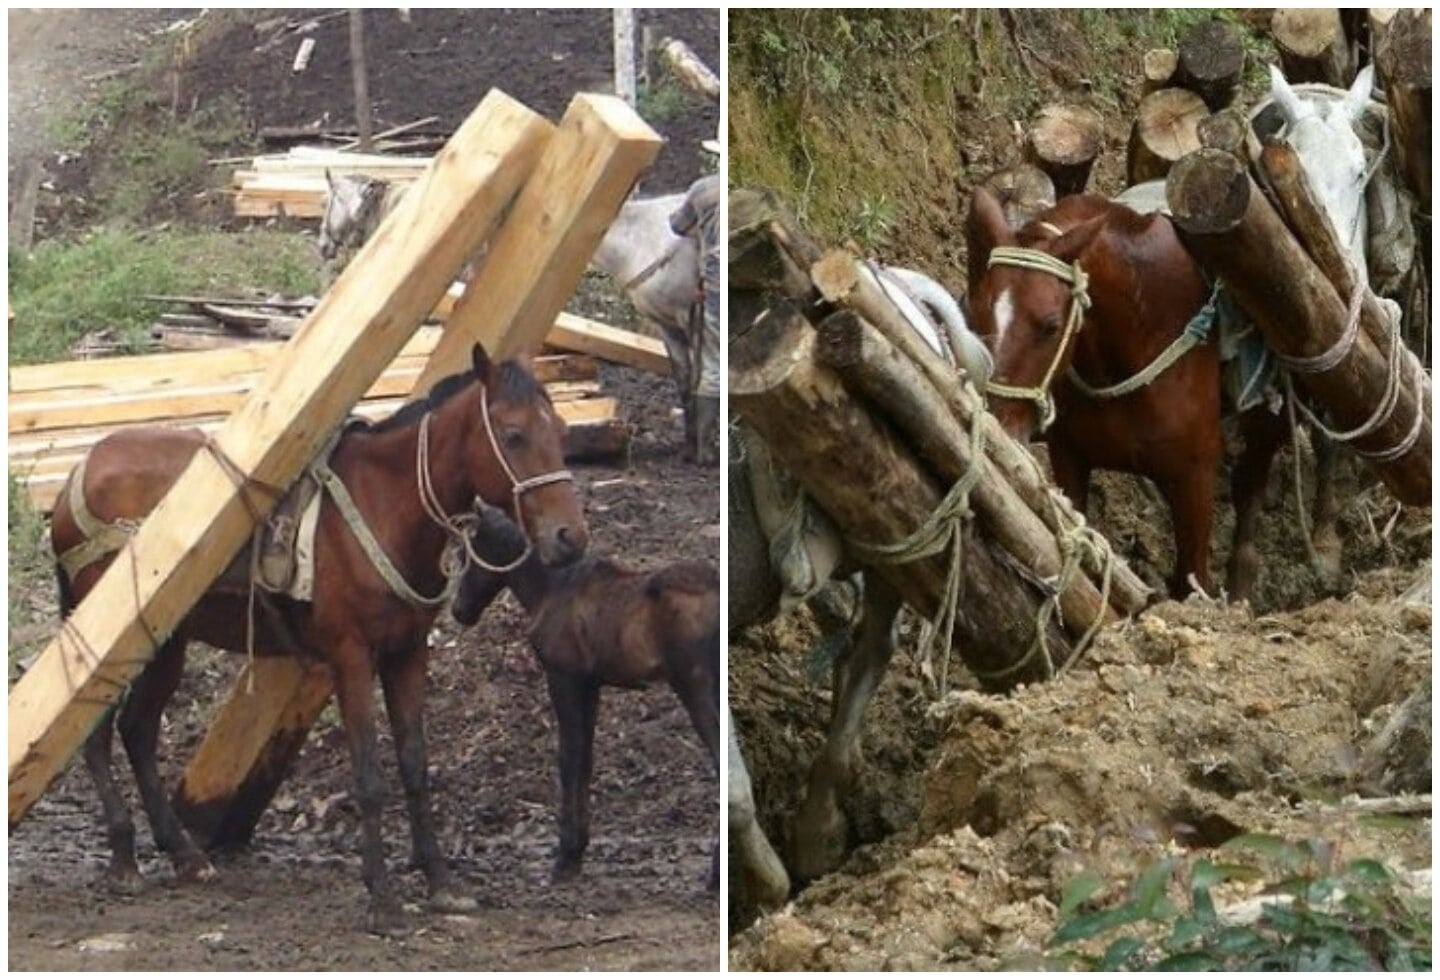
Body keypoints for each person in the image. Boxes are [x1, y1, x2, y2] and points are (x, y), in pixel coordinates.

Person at [670, 159, 721, 466]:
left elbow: (677, 225)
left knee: (712, 367)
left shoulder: (703, 189)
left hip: (715, 288)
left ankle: (705, 448)